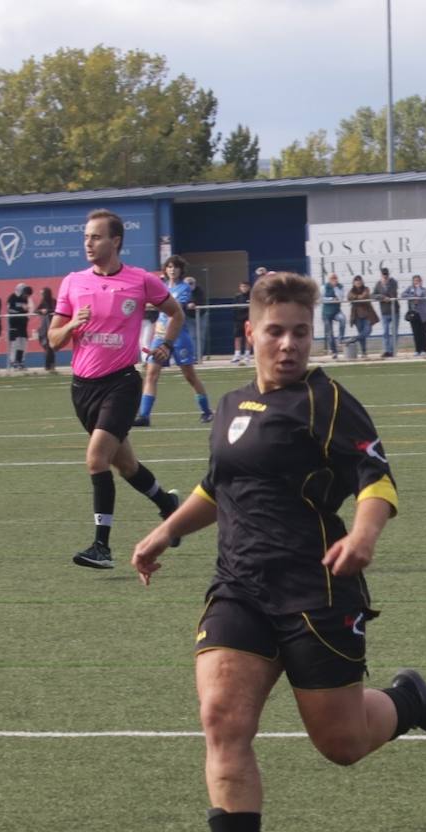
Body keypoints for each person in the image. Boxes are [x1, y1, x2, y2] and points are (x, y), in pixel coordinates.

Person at [129, 271, 426, 832]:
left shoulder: (327, 401)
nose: (289, 344)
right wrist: (166, 532)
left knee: (340, 745)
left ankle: (409, 701)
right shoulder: (229, 406)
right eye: (276, 331)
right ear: (250, 332)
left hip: (317, 590)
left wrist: (364, 534)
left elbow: (379, 478)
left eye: (301, 333)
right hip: (239, 589)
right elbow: (219, 487)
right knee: (222, 720)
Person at [48, 209, 185, 570]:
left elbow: (176, 313)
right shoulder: (73, 282)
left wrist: (165, 345)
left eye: (96, 237)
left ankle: (101, 547)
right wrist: (72, 325)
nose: (88, 244)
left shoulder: (140, 281)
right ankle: (169, 506)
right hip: (82, 389)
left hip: (122, 384)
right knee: (126, 465)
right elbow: (53, 338)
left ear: (116, 241)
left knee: (96, 459)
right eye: (86, 237)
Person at [135, 256, 214, 427]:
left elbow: (175, 308)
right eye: (169, 267)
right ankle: (144, 416)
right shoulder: (161, 287)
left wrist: (151, 304)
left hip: (179, 338)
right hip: (160, 337)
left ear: (180, 270)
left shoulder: (184, 288)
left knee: (190, 376)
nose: (172, 270)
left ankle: (207, 411)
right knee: (151, 374)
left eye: (175, 267)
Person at [372, 266, 399, 357]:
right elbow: (373, 295)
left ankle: (392, 350)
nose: (385, 276)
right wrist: (382, 297)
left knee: (394, 332)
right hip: (384, 312)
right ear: (381, 275)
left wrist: (386, 286)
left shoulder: (393, 282)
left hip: (394, 310)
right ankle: (386, 350)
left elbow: (393, 293)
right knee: (385, 332)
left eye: (386, 275)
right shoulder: (378, 284)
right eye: (383, 275)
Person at [347, 274, 376, 357]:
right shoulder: (351, 290)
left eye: (359, 280)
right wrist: (358, 297)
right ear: (353, 282)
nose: (358, 282)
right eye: (356, 280)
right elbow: (349, 297)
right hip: (357, 316)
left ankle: (354, 339)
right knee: (361, 334)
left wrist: (356, 298)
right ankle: (364, 352)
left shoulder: (366, 289)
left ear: (362, 281)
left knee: (368, 331)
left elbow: (365, 296)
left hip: (367, 315)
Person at [404, 274, 426, 358]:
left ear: (421, 281)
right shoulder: (410, 289)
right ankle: (417, 350)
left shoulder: (424, 289)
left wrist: (417, 292)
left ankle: (424, 350)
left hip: (424, 314)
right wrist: (412, 297)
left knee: (424, 332)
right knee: (416, 333)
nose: (416, 282)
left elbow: (421, 295)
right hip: (414, 314)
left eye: (418, 281)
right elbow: (403, 295)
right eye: (415, 281)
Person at [6, 283, 32, 370]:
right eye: (24, 292)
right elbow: (9, 309)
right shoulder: (12, 297)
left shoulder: (25, 299)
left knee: (23, 343)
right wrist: (21, 310)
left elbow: (26, 309)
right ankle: (14, 361)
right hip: (14, 323)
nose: (26, 295)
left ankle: (20, 360)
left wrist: (26, 311)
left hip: (23, 323)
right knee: (15, 343)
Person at [321, 273, 346, 358]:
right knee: (330, 334)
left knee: (343, 319)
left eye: (335, 278)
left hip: (336, 311)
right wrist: (331, 299)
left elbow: (341, 298)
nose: (334, 280)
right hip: (326, 313)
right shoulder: (324, 287)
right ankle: (334, 352)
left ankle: (340, 339)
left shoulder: (340, 287)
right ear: (329, 279)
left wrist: (335, 288)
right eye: (332, 278)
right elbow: (321, 298)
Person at [36, 286, 58, 373]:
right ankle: (50, 365)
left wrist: (47, 311)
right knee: (47, 346)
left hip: (53, 326)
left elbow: (56, 310)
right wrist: (41, 311)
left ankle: (49, 365)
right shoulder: (43, 302)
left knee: (50, 346)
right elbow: (36, 310)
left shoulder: (53, 301)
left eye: (42, 294)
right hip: (45, 327)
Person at [230, 280, 252, 365]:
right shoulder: (237, 297)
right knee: (237, 337)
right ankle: (237, 355)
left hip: (249, 320)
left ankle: (247, 355)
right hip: (238, 320)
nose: (244, 288)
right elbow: (235, 308)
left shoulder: (252, 296)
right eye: (242, 286)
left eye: (245, 286)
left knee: (248, 338)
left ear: (249, 287)